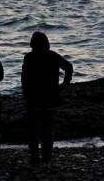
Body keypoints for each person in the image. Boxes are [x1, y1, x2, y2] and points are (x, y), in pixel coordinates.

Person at [21, 31, 73, 165]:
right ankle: (46, 157)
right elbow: (68, 67)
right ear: (46, 43)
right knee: (47, 128)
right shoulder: (52, 56)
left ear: (32, 43)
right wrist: (64, 84)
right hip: (50, 97)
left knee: (33, 130)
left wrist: (25, 93)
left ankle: (34, 157)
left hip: (33, 98)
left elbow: (24, 78)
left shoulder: (29, 58)